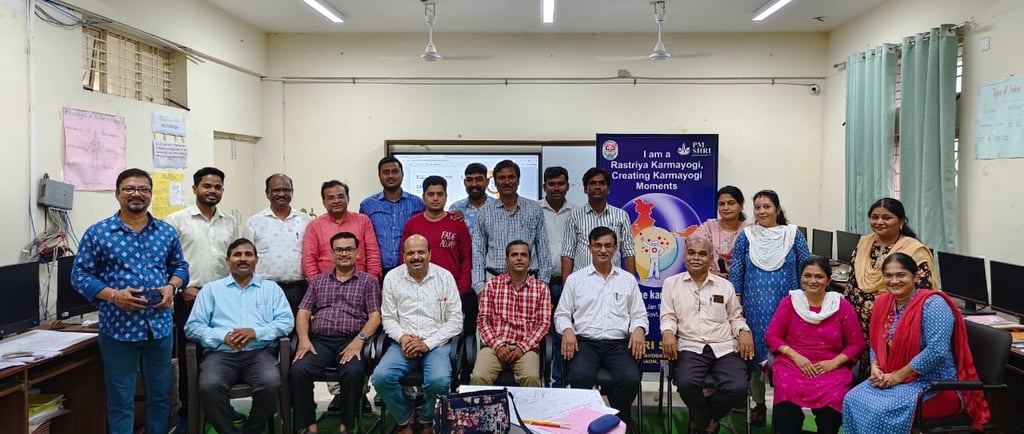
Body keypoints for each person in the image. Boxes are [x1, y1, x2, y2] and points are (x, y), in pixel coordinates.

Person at [72, 168, 189, 434]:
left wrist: (171, 287)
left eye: (143, 189)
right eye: (129, 189)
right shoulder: (98, 233)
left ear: (150, 194)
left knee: (161, 396)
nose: (136, 194)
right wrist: (113, 295)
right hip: (117, 328)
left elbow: (181, 267)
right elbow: (79, 275)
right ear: (117, 194)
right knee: (120, 400)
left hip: (159, 328)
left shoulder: (166, 232)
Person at [842, 253, 989, 434]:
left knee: (879, 412)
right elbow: (876, 341)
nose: (894, 281)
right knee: (851, 399)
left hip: (933, 384)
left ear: (916, 276)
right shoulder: (883, 303)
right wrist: (875, 366)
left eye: (901, 275)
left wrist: (897, 377)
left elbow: (936, 351)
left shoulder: (933, 304)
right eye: (888, 275)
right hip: (891, 376)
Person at [184, 238, 294, 434]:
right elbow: (192, 327)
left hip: (259, 353)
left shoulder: (271, 289)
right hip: (220, 355)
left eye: (248, 254)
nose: (243, 259)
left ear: (256, 260)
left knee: (270, 383)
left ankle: (252, 430)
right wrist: (222, 336)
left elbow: (286, 322)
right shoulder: (211, 290)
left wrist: (256, 332)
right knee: (209, 386)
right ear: (228, 261)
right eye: (237, 255)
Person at [163, 166, 240, 432]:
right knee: (190, 355)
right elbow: (166, 262)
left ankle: (222, 404)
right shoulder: (176, 221)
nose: (212, 191)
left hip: (222, 298)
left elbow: (233, 261)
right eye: (207, 186)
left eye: (218, 187)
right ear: (195, 188)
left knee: (223, 351)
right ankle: (188, 409)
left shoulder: (230, 221)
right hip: (188, 296)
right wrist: (182, 288)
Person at [728, 189, 810, 425]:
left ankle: (786, 408)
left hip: (788, 307)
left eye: (767, 206)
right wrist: (737, 303)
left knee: (785, 358)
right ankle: (759, 405)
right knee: (754, 358)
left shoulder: (792, 235)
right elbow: (736, 271)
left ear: (777, 209)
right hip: (754, 308)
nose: (762, 211)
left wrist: (806, 301)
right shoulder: (746, 236)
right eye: (757, 207)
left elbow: (806, 267)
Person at [554, 226, 648, 429]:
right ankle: (586, 422)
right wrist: (567, 331)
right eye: (598, 245)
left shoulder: (627, 280)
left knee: (630, 379)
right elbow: (562, 314)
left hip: (618, 344)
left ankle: (616, 419)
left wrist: (639, 329)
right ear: (590, 248)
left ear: (615, 248)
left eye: (608, 246)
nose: (603, 250)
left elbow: (639, 315)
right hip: (586, 343)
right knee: (579, 377)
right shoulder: (575, 279)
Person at [290, 232, 382, 434]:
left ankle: (346, 425)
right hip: (320, 342)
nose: (344, 253)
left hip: (351, 341)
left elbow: (375, 317)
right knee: (299, 370)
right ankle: (309, 425)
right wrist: (303, 339)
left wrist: (359, 340)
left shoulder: (368, 281)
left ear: (357, 253)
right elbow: (303, 312)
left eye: (349, 249)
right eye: (339, 250)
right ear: (332, 254)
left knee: (353, 372)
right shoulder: (318, 281)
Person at [660, 236, 754, 434]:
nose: (696, 258)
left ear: (711, 259)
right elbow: (668, 316)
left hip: (724, 346)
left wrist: (744, 331)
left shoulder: (724, 286)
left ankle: (702, 420)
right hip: (690, 345)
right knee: (686, 383)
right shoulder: (671, 284)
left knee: (738, 388)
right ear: (685, 257)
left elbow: (735, 317)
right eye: (691, 253)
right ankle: (708, 421)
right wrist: (668, 332)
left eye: (702, 254)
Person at [371, 235, 463, 434]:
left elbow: (456, 321)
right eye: (410, 253)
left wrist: (427, 344)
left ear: (430, 254)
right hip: (403, 343)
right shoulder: (392, 278)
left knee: (439, 380)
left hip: (436, 344)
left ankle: (427, 420)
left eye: (421, 252)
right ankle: (406, 418)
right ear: (403, 255)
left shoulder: (444, 277)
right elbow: (388, 318)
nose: (416, 257)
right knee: (380, 377)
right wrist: (403, 338)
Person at [765, 256, 864, 434]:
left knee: (833, 399)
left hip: (831, 366)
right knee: (787, 395)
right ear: (801, 278)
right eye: (807, 276)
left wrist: (833, 363)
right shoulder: (790, 302)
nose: (812, 281)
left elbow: (856, 344)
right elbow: (772, 336)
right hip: (792, 363)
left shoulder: (841, 306)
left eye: (819, 276)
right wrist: (797, 357)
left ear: (828, 280)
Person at [842, 198, 937, 372]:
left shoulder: (913, 250)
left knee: (889, 370)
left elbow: (921, 293)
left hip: (893, 324)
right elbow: (852, 282)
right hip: (859, 320)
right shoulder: (864, 243)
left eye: (887, 217)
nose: (879, 222)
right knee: (866, 370)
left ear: (901, 221)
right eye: (874, 217)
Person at [471, 240, 551, 387]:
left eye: (523, 255)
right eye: (514, 255)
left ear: (530, 261)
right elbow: (483, 320)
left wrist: (522, 347)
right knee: (478, 377)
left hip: (526, 349)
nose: (519, 258)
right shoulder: (492, 285)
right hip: (494, 347)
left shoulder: (541, 288)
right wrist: (498, 346)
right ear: (507, 260)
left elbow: (543, 324)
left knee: (531, 378)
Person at [401, 176, 473, 333]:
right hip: (418, 291)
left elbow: (467, 258)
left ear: (446, 197)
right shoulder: (413, 224)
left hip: (451, 292)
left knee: (451, 333)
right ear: (423, 197)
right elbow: (404, 257)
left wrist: (460, 289)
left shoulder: (457, 224)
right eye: (431, 194)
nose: (435, 198)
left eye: (440, 194)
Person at [472, 160, 551, 294]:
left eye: (511, 177)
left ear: (518, 180)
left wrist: (543, 284)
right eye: (502, 178)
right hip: (493, 282)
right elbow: (478, 251)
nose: (507, 182)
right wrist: (480, 287)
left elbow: (543, 249)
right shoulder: (485, 212)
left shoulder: (534, 209)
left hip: (529, 283)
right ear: (495, 183)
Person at [244, 173, 313, 315]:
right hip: (264, 288)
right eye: (276, 190)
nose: (281, 194)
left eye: (286, 190)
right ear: (267, 193)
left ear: (292, 192)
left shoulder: (306, 221)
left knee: (298, 326)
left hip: (299, 289)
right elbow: (246, 258)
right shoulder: (255, 222)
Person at [537, 166, 577, 387]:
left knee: (565, 333)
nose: (556, 188)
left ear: (567, 186)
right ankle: (543, 382)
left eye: (560, 184)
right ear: (544, 186)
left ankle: (561, 383)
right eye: (551, 184)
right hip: (539, 282)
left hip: (569, 283)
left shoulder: (577, 212)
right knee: (542, 334)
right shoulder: (534, 210)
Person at [561, 167, 637, 279]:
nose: (597, 187)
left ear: (608, 189)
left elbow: (629, 253)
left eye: (602, 183)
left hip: (613, 280)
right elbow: (568, 254)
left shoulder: (621, 216)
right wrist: (567, 285)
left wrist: (630, 284)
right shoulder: (574, 216)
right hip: (583, 281)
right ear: (585, 189)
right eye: (593, 183)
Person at [302, 180, 382, 281]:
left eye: (340, 196)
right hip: (325, 285)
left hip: (360, 283)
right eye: (331, 198)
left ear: (348, 198)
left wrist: (371, 282)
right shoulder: (314, 226)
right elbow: (309, 260)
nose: (336, 201)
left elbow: (373, 255)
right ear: (323, 202)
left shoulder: (363, 221)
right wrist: (318, 285)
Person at [360, 156, 425, 277]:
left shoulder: (418, 203)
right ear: (379, 176)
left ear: (402, 174)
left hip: (410, 268)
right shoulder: (368, 205)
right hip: (378, 271)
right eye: (386, 172)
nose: (390, 176)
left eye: (395, 171)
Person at [692, 186, 753, 278]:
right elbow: (693, 252)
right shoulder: (708, 227)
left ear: (741, 206)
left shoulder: (749, 230)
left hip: (744, 281)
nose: (726, 207)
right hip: (710, 279)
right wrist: (711, 273)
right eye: (721, 204)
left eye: (731, 203)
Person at [447, 162, 496, 238]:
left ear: (487, 182)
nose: (474, 184)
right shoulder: (456, 208)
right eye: (469, 180)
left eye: (479, 179)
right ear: (464, 182)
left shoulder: (498, 206)